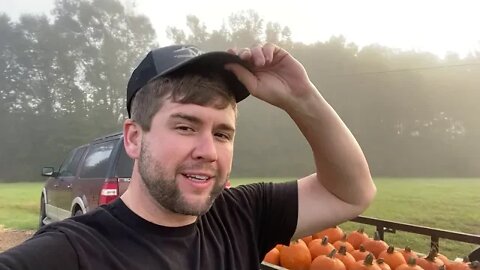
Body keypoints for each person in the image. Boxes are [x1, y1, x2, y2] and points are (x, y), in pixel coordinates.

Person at [0, 43, 376, 269]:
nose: (208, 151)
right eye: (184, 127)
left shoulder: (241, 216)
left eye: (222, 133)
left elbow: (349, 192)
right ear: (134, 138)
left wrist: (302, 99)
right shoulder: (73, 253)